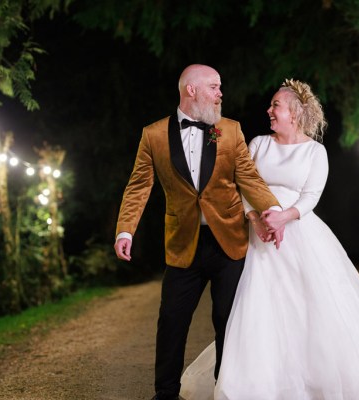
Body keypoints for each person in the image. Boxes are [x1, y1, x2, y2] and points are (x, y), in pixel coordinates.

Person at [179, 79, 359, 399]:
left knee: (308, 308)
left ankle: (315, 381)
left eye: (275, 106)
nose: (269, 110)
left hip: (299, 235)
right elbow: (242, 184)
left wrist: (283, 216)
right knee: (259, 309)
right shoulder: (259, 144)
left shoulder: (314, 151)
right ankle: (257, 384)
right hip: (258, 239)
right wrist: (256, 218)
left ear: (294, 113)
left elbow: (311, 196)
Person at [114, 64, 281, 400]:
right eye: (214, 87)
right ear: (191, 90)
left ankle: (226, 389)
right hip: (182, 244)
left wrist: (272, 209)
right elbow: (138, 186)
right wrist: (125, 231)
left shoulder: (229, 130)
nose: (221, 93)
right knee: (172, 320)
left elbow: (247, 176)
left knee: (227, 320)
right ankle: (165, 393)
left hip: (229, 242)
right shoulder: (153, 135)